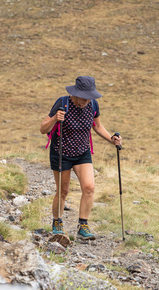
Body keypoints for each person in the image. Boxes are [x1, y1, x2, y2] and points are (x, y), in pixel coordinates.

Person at [40, 76, 122, 240]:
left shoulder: (93, 104)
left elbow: (97, 126)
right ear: (75, 94)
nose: (86, 101)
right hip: (61, 152)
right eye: (84, 97)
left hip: (82, 152)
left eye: (89, 97)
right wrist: (55, 118)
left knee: (89, 187)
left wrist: (111, 140)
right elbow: (43, 128)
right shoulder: (62, 103)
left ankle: (82, 225)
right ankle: (57, 222)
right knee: (63, 191)